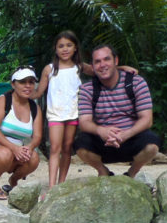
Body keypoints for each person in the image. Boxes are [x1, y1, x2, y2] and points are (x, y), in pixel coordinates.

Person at [32, 31, 138, 189]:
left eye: (69, 45)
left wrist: (121, 68)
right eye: (61, 46)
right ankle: (52, 186)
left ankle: (61, 184)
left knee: (68, 147)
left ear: (75, 48)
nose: (65, 49)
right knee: (55, 148)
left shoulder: (79, 66)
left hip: (74, 114)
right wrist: (20, 92)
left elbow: (101, 71)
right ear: (55, 49)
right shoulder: (49, 69)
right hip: (55, 115)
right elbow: (39, 92)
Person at [74, 44, 160, 178]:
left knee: (152, 144)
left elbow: (147, 119)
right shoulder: (87, 89)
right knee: (80, 145)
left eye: (106, 59)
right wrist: (102, 131)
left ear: (116, 61)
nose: (102, 65)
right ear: (92, 66)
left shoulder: (136, 82)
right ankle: (103, 172)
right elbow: (84, 122)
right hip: (104, 142)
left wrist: (126, 134)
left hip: (131, 139)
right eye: (97, 61)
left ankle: (131, 173)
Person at [0, 66, 42, 200]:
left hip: (15, 151)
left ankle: (13, 181)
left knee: (34, 157)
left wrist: (29, 147)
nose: (27, 86)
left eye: (31, 82)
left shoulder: (35, 107)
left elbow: (38, 136)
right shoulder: (3, 100)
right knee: (5, 153)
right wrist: (14, 148)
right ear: (13, 84)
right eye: (22, 82)